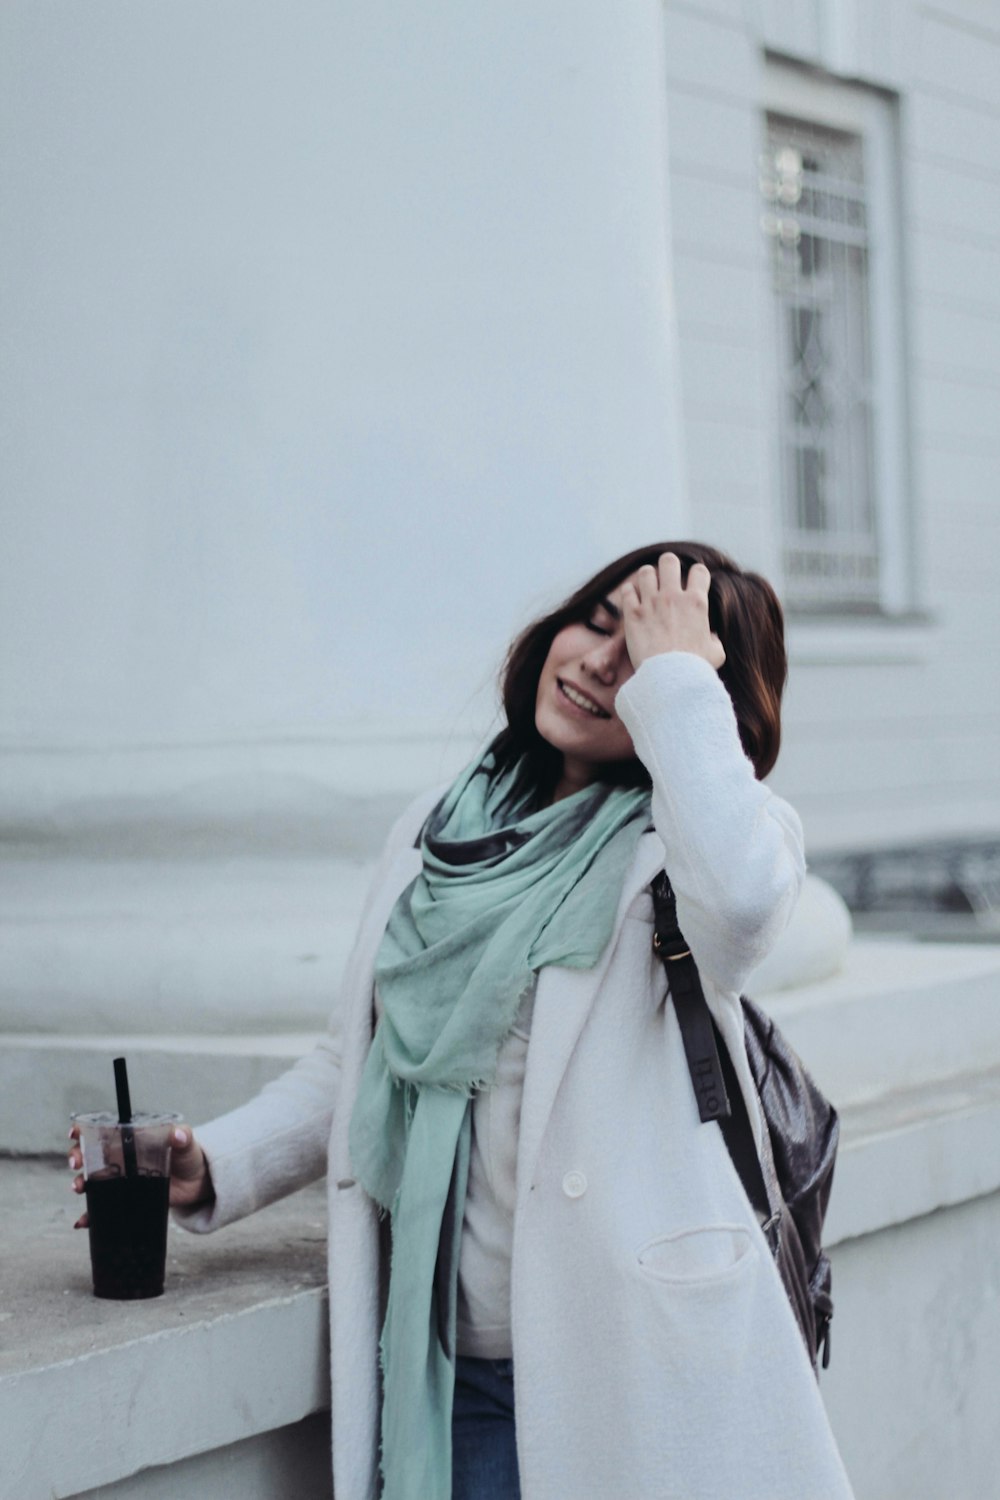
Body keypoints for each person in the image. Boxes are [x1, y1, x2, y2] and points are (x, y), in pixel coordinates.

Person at [71, 543, 855, 1500]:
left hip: (636, 1362)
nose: (602, 663)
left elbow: (740, 908)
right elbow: (358, 1063)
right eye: (598, 622)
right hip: (458, 1361)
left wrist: (679, 679)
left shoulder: (691, 847)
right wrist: (215, 1162)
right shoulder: (437, 833)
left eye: (642, 653)